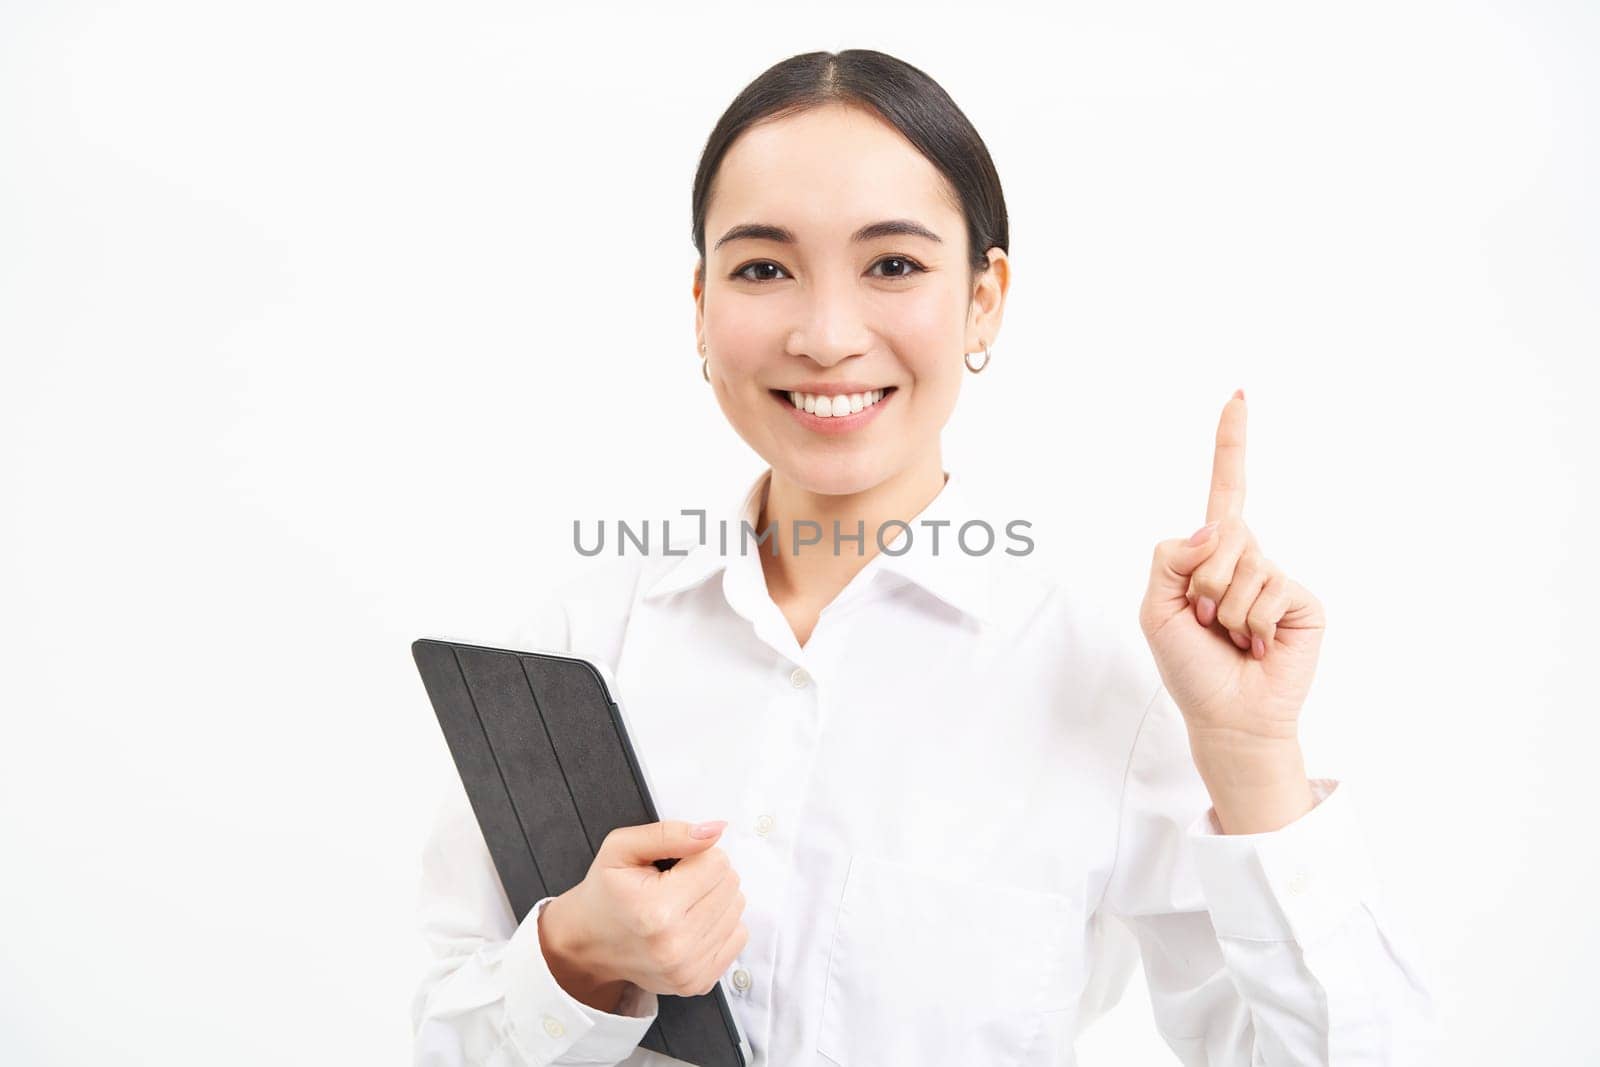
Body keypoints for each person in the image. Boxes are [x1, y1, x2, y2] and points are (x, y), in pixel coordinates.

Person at [411, 49, 1434, 1066]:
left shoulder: (1107, 679)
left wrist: (1252, 757)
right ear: (699, 302)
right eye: (763, 267)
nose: (824, 334)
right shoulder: (582, 643)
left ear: (983, 297)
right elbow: (441, 1042)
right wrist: (578, 952)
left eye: (892, 264)